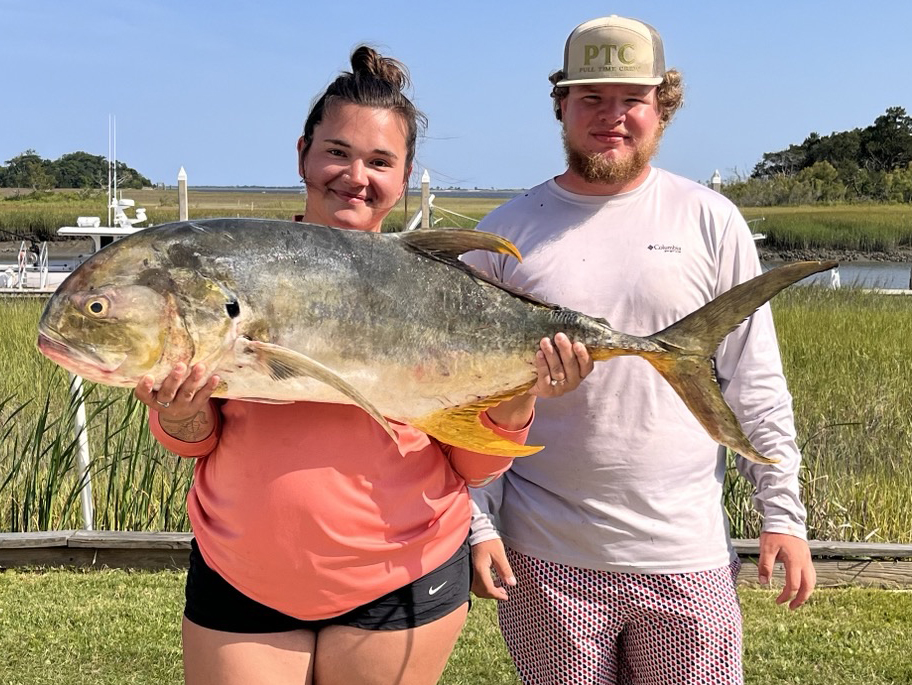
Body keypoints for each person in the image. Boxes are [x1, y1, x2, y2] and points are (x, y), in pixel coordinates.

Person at [133, 46, 565, 685]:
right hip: (241, 568)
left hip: (401, 577)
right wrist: (181, 412)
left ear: (405, 173)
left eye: (380, 161)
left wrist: (521, 392)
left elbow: (474, 465)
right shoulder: (236, 274)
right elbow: (195, 443)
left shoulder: (437, 287)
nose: (354, 175)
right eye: (337, 151)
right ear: (304, 152)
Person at [465, 15, 817, 685]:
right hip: (546, 554)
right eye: (591, 97)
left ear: (664, 107)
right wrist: (479, 523)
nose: (612, 116)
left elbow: (755, 381)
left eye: (632, 98)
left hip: (687, 552)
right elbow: (466, 396)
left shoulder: (709, 218)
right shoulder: (504, 234)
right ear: (561, 106)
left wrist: (783, 513)